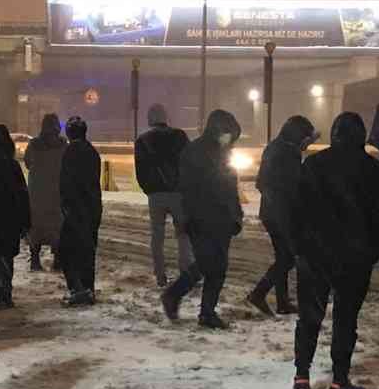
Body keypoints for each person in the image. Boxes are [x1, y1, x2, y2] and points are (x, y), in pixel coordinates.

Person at [290, 112, 379, 389]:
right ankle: (339, 380)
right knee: (346, 319)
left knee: (309, 317)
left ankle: (301, 376)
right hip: (354, 259)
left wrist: (300, 248)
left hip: (314, 255)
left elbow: (296, 210)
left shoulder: (313, 165)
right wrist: (371, 252)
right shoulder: (373, 170)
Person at [162, 109, 243, 329]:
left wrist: (236, 214)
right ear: (217, 130)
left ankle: (207, 311)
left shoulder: (223, 153)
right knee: (208, 263)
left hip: (222, 218)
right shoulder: (194, 152)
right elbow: (187, 189)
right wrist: (188, 218)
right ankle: (174, 294)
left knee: (218, 266)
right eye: (228, 134)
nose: (230, 140)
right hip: (201, 217)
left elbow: (230, 187)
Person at [248, 115, 317, 316]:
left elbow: (260, 183)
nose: (306, 143)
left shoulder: (275, 148)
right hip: (282, 214)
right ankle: (259, 293)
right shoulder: (287, 153)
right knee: (287, 259)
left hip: (271, 212)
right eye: (305, 138)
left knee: (283, 256)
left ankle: (282, 302)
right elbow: (294, 186)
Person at [134, 103, 193, 289]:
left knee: (157, 236)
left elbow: (140, 171)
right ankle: (186, 272)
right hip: (178, 194)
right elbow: (190, 162)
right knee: (183, 235)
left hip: (156, 195)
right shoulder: (180, 136)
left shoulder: (142, 141)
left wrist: (148, 189)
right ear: (165, 118)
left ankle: (160, 275)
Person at [0, 124, 33, 307]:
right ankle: (4, 293)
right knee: (5, 257)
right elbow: (21, 194)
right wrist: (25, 222)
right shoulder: (12, 166)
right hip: (9, 218)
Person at [58, 115, 103, 305]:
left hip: (76, 208)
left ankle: (77, 288)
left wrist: (66, 205)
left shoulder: (70, 152)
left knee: (68, 250)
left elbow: (67, 183)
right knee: (88, 249)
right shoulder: (92, 151)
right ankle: (87, 287)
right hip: (92, 206)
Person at [23, 113, 66, 271]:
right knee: (57, 227)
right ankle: (58, 260)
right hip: (56, 192)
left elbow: (27, 163)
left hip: (37, 193)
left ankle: (35, 259)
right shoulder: (62, 145)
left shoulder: (34, 144)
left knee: (36, 227)